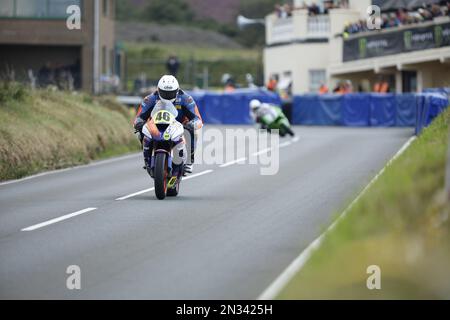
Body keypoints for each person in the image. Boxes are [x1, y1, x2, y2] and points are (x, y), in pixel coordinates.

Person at [134, 75, 203, 175]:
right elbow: (139, 117)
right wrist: (139, 123)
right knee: (140, 131)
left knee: (193, 132)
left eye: (170, 93)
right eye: (164, 93)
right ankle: (147, 158)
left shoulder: (186, 99)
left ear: (177, 90)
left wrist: (192, 124)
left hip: (179, 125)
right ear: (158, 90)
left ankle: (189, 160)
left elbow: (198, 119)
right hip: (156, 125)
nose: (167, 95)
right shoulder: (150, 99)